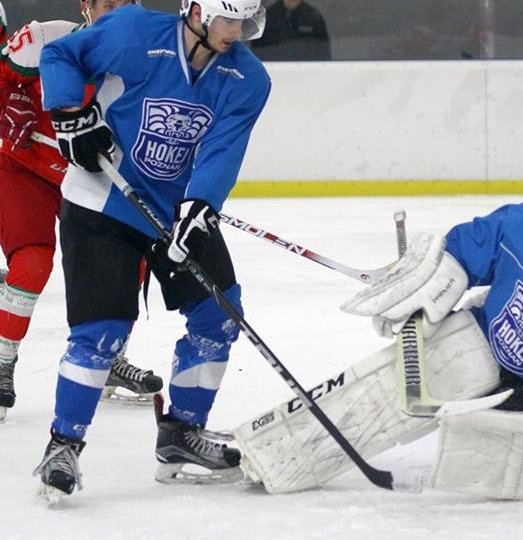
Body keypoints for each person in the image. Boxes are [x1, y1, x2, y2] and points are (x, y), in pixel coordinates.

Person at [234, 200, 523, 516]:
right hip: (482, 338)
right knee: (384, 393)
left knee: (505, 459)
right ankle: (267, 453)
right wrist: (440, 273)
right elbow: (478, 244)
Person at [34, 0, 271, 503]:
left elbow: (223, 149)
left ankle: (181, 435)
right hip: (103, 203)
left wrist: (200, 207)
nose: (236, 32)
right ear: (197, 12)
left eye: (244, 23)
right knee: (101, 333)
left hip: (173, 213)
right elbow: (59, 56)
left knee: (218, 318)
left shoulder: (248, 78)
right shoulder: (133, 30)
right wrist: (72, 115)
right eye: (228, 20)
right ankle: (63, 445)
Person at [0, 0, 165, 423]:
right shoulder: (44, 39)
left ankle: (109, 358)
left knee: (131, 259)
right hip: (25, 167)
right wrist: (9, 104)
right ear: (84, 7)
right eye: (102, 2)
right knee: (32, 263)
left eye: (121, 2)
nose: (111, 11)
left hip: (89, 177)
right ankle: (2, 359)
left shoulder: (152, 60)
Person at [253, 0, 330, 60]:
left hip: (307, 69)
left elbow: (323, 51)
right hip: (273, 67)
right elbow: (256, 47)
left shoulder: (313, 17)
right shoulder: (269, 16)